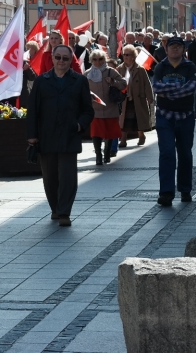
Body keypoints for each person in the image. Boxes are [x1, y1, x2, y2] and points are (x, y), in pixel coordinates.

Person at [27, 44, 94, 226]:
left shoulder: (79, 81)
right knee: (50, 177)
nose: (61, 61)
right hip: (46, 135)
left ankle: (64, 212)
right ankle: (55, 208)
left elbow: (88, 110)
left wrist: (79, 125)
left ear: (71, 60)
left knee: (67, 176)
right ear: (53, 58)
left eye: (65, 58)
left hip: (69, 134)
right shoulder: (41, 81)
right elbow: (33, 110)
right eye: (58, 57)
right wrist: (32, 135)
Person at [152, 36, 196, 206]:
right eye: (172, 46)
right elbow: (156, 87)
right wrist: (179, 88)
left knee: (185, 153)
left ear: (183, 49)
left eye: (178, 46)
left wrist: (168, 92)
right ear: (166, 49)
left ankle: (185, 189)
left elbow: (191, 88)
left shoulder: (189, 66)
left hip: (185, 116)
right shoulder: (160, 67)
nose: (175, 49)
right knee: (167, 153)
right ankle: (166, 193)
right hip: (165, 116)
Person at [85, 51, 126, 165]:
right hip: (95, 109)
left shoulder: (110, 71)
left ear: (104, 60)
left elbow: (123, 83)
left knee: (110, 133)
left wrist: (113, 82)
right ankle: (98, 155)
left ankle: (107, 153)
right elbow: (81, 89)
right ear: (91, 60)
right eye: (95, 59)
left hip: (110, 107)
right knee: (96, 133)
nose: (98, 62)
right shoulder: (87, 74)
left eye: (100, 59)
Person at [117, 45, 154, 148]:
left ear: (133, 56)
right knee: (124, 120)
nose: (125, 57)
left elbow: (147, 84)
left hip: (138, 98)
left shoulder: (140, 69)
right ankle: (123, 139)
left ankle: (141, 135)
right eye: (124, 55)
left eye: (127, 55)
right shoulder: (119, 69)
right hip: (124, 99)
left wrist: (149, 96)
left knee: (138, 119)